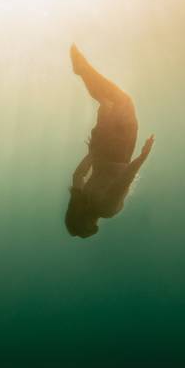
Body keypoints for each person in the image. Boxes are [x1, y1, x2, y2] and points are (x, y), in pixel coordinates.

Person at [66, 44, 154, 238]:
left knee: (122, 102)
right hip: (101, 148)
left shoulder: (105, 209)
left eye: (86, 231)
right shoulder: (82, 197)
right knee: (110, 101)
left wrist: (142, 157)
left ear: (85, 222)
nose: (91, 231)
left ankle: (83, 70)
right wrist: (93, 152)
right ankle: (83, 70)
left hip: (120, 150)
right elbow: (77, 176)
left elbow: (123, 181)